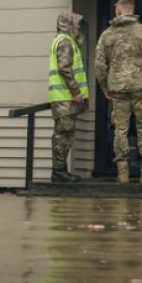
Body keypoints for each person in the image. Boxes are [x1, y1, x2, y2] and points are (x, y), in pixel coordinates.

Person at [94, 0, 142, 184]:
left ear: (118, 10)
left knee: (120, 129)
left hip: (117, 86)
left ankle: (123, 173)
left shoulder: (107, 35)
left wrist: (104, 86)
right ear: (132, 10)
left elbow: (99, 64)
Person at [48, 12, 89, 183]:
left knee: (64, 134)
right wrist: (76, 92)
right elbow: (64, 68)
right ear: (69, 24)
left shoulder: (65, 41)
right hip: (65, 98)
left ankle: (61, 171)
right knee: (63, 135)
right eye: (77, 24)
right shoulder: (65, 42)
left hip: (64, 99)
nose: (79, 28)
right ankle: (58, 172)